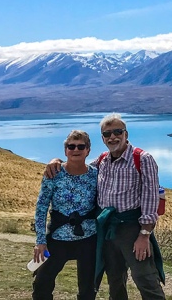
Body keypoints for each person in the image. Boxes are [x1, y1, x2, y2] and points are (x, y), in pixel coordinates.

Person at [46, 113, 165, 300]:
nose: (112, 137)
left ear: (126, 134)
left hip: (132, 227)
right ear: (102, 138)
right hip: (106, 228)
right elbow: (78, 166)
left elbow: (151, 198)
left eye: (117, 132)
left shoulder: (142, 159)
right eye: (107, 134)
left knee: (144, 277)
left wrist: (144, 234)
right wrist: (57, 162)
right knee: (115, 278)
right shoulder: (103, 160)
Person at [33, 130, 99, 300]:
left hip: (88, 238)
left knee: (88, 289)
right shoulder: (53, 174)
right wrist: (40, 241)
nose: (75, 149)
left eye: (80, 146)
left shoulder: (95, 175)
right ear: (65, 150)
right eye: (71, 146)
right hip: (57, 237)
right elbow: (41, 207)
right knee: (42, 282)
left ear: (88, 150)